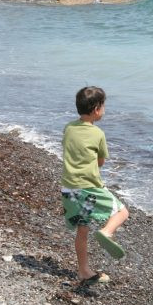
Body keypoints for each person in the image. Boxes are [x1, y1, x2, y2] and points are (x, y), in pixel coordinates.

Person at [61, 86, 129, 284]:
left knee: (82, 229)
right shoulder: (98, 133)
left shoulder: (69, 127)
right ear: (97, 108)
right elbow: (100, 162)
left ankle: (84, 270)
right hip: (88, 188)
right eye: (104, 105)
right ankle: (107, 232)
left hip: (68, 188)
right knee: (122, 212)